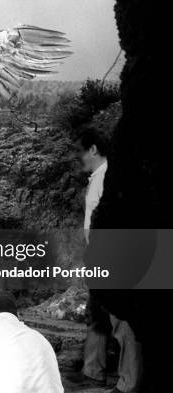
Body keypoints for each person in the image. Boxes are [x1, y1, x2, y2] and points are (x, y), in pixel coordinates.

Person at [75, 127, 142, 393]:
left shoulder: (111, 176)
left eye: (77, 152)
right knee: (97, 317)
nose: (75, 158)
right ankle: (92, 372)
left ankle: (128, 383)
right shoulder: (99, 176)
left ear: (92, 149)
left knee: (121, 322)